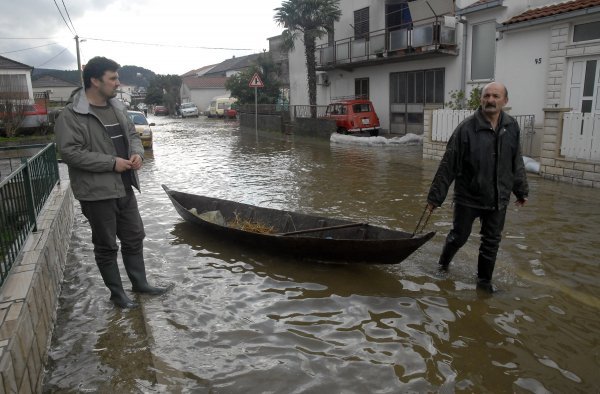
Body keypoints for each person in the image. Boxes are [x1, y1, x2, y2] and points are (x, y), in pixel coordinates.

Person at [56, 56, 167, 308]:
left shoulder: (117, 106)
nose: (118, 83)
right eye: (113, 78)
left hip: (125, 186)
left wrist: (137, 153)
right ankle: (118, 295)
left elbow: (131, 134)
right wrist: (111, 163)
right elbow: (69, 153)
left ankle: (140, 284)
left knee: (134, 237)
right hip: (96, 193)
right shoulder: (72, 115)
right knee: (106, 245)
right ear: (95, 81)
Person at [426, 81, 529, 293]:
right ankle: (443, 265)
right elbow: (449, 164)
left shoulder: (511, 127)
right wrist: (435, 198)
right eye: (487, 96)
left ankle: (484, 283)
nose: (490, 100)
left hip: (498, 198)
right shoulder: (466, 128)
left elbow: (515, 160)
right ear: (481, 99)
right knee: (458, 237)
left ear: (505, 101)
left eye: (495, 96)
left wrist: (521, 190)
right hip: (468, 197)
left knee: (491, 242)